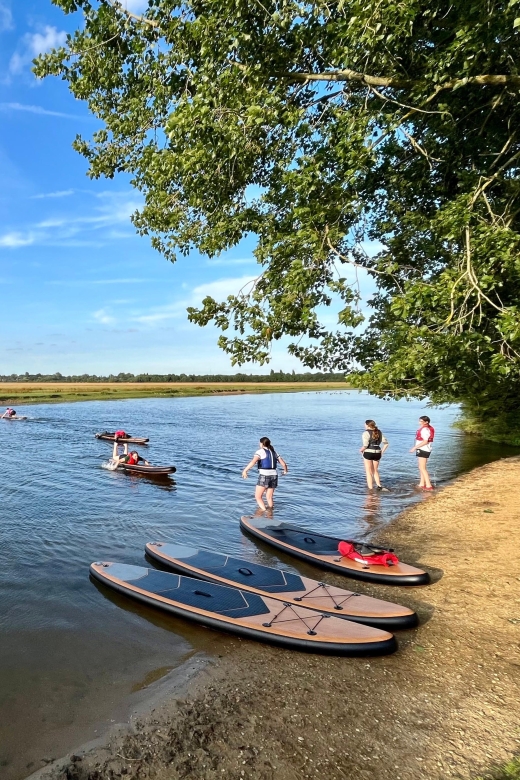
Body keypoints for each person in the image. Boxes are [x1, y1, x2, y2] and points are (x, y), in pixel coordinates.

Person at [242, 437, 288, 510]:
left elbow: (253, 462)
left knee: (258, 497)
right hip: (274, 476)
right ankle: (270, 513)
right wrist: (285, 471)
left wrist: (245, 470)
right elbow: (284, 464)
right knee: (269, 497)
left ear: (262, 443)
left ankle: (264, 511)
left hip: (264, 476)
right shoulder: (274, 452)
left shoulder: (260, 452)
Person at [359, 419, 389, 490]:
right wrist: (382, 452)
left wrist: (361, 450)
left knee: (369, 472)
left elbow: (365, 445)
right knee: (375, 470)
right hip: (378, 453)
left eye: (365, 425)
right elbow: (386, 444)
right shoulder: (379, 432)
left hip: (368, 452)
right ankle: (379, 486)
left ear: (367, 425)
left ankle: (370, 489)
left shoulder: (365, 433)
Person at [410, 415, 435, 490]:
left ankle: (428, 485)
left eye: (421, 421)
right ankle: (421, 483)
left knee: (422, 467)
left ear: (426, 422)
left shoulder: (425, 430)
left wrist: (415, 447)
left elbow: (425, 441)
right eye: (419, 421)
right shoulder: (427, 428)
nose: (419, 422)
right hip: (424, 449)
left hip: (423, 449)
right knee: (421, 467)